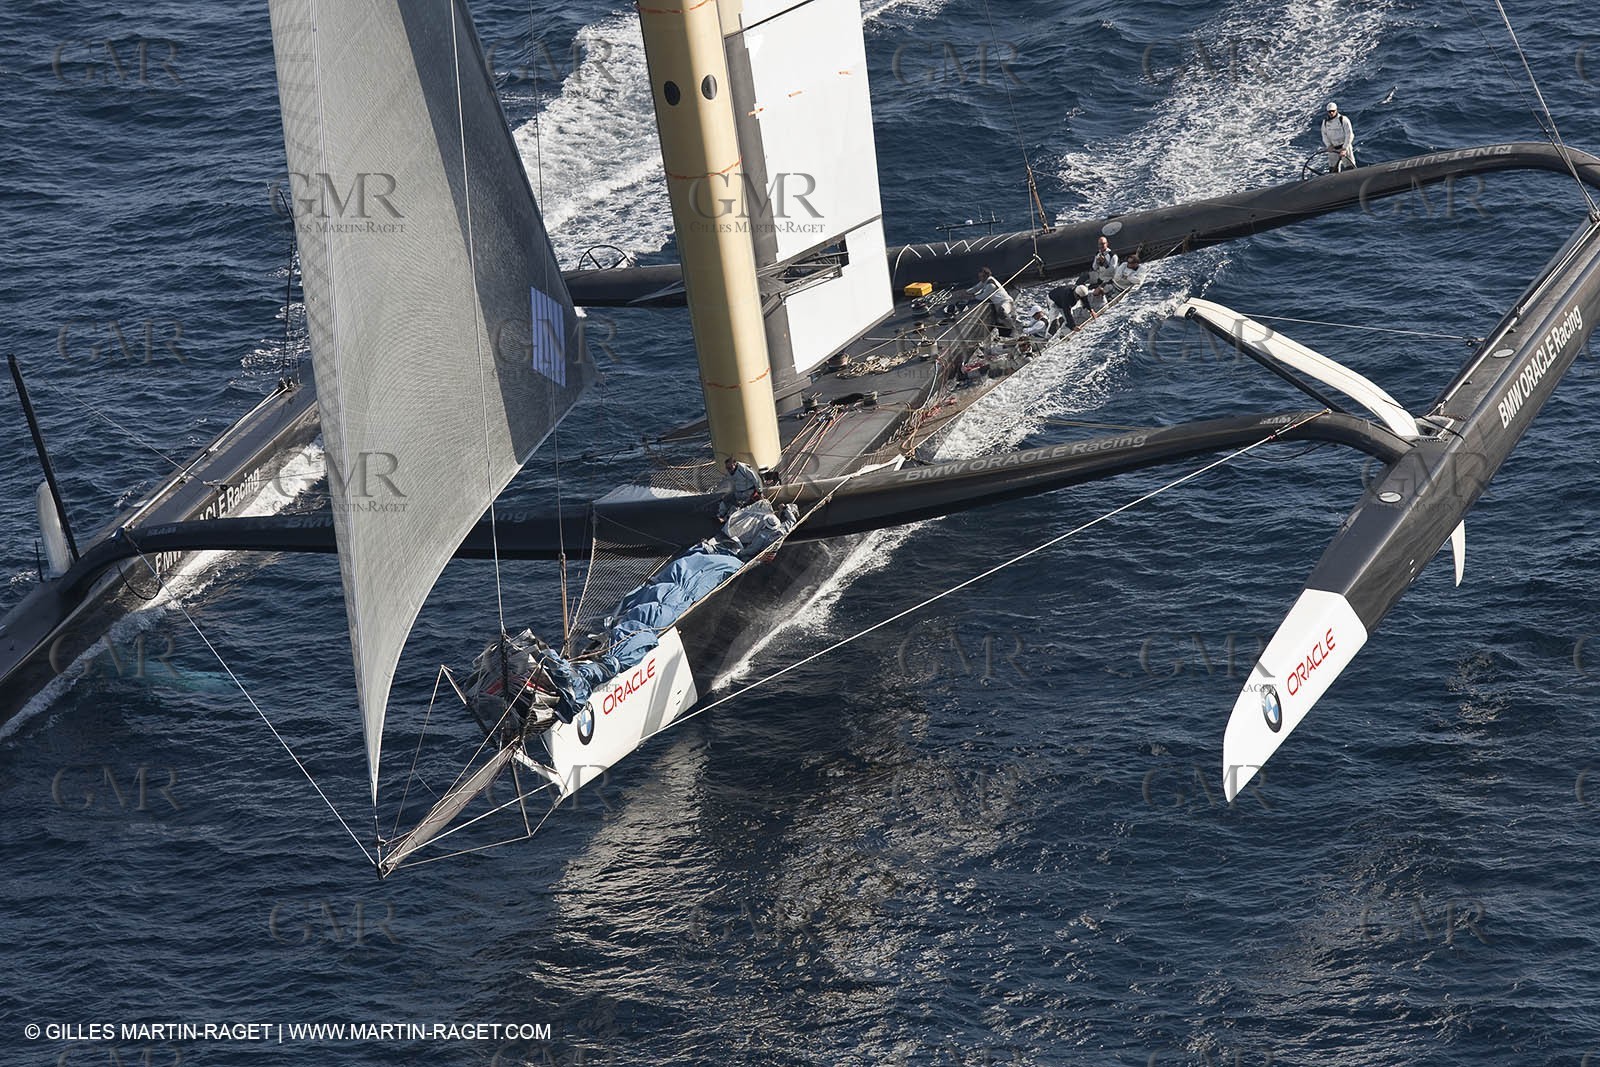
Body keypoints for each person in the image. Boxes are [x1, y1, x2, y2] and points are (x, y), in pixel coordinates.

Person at [717, 456, 761, 520]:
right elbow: (733, 483)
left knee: (738, 504)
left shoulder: (744, 469)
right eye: (727, 468)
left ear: (734, 464)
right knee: (725, 499)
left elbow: (755, 479)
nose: (728, 469)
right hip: (738, 491)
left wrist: (759, 491)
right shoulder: (730, 472)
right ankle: (721, 514)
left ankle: (729, 517)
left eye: (729, 467)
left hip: (748, 492)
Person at [1321, 102, 1356, 172]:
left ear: (1336, 110)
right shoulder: (1325, 122)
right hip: (1333, 149)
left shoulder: (1343, 120)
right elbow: (1324, 135)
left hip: (1344, 148)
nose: (1331, 113)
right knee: (1333, 169)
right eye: (1329, 111)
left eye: (1333, 111)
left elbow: (1350, 135)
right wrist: (1329, 145)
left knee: (1350, 168)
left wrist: (1344, 148)